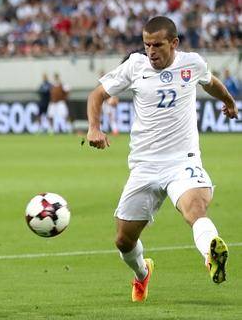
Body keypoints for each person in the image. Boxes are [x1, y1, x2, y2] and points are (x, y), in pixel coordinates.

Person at [86, 16, 238, 302]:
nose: (151, 51)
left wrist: (228, 101)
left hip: (183, 161)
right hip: (145, 165)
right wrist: (94, 127)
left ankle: (211, 255)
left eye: (157, 45)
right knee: (123, 240)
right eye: (147, 45)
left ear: (174, 43)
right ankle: (142, 272)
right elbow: (97, 95)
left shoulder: (192, 64)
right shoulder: (135, 66)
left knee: (195, 208)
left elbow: (210, 82)